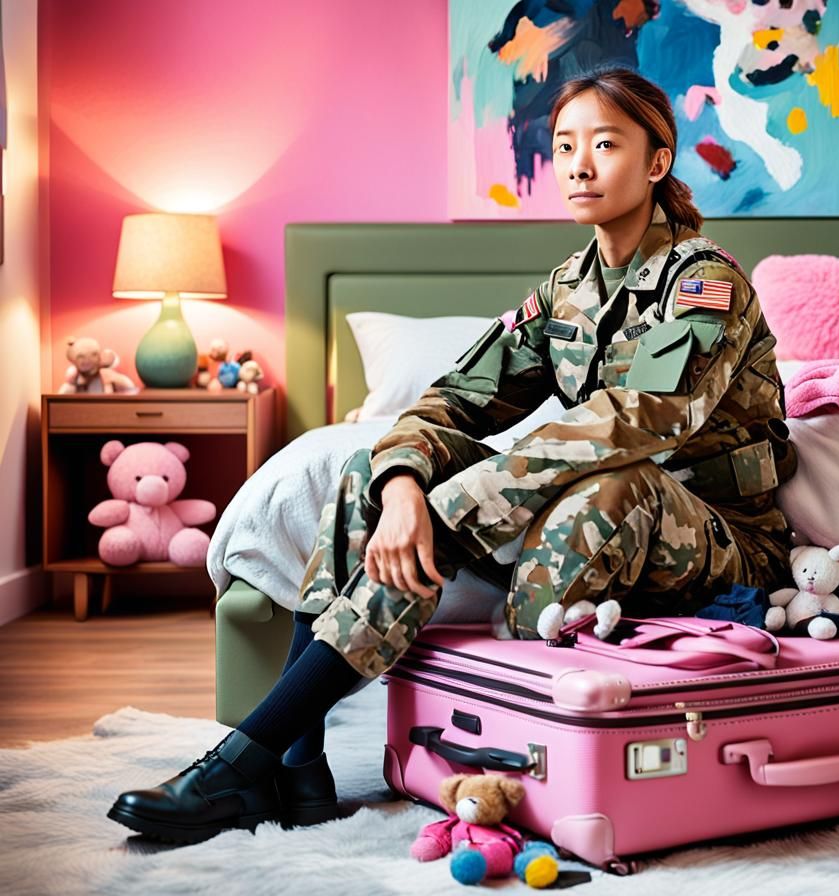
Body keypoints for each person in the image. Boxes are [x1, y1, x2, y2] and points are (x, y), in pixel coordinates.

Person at [107, 66, 797, 844]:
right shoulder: (567, 290)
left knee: (613, 487)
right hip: (585, 529)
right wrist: (403, 483)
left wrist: (449, 507)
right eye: (565, 144)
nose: (578, 164)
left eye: (605, 144)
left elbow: (638, 419)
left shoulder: (705, 282)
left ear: (657, 162)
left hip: (719, 540)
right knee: (366, 467)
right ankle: (295, 766)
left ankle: (244, 761)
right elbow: (452, 398)